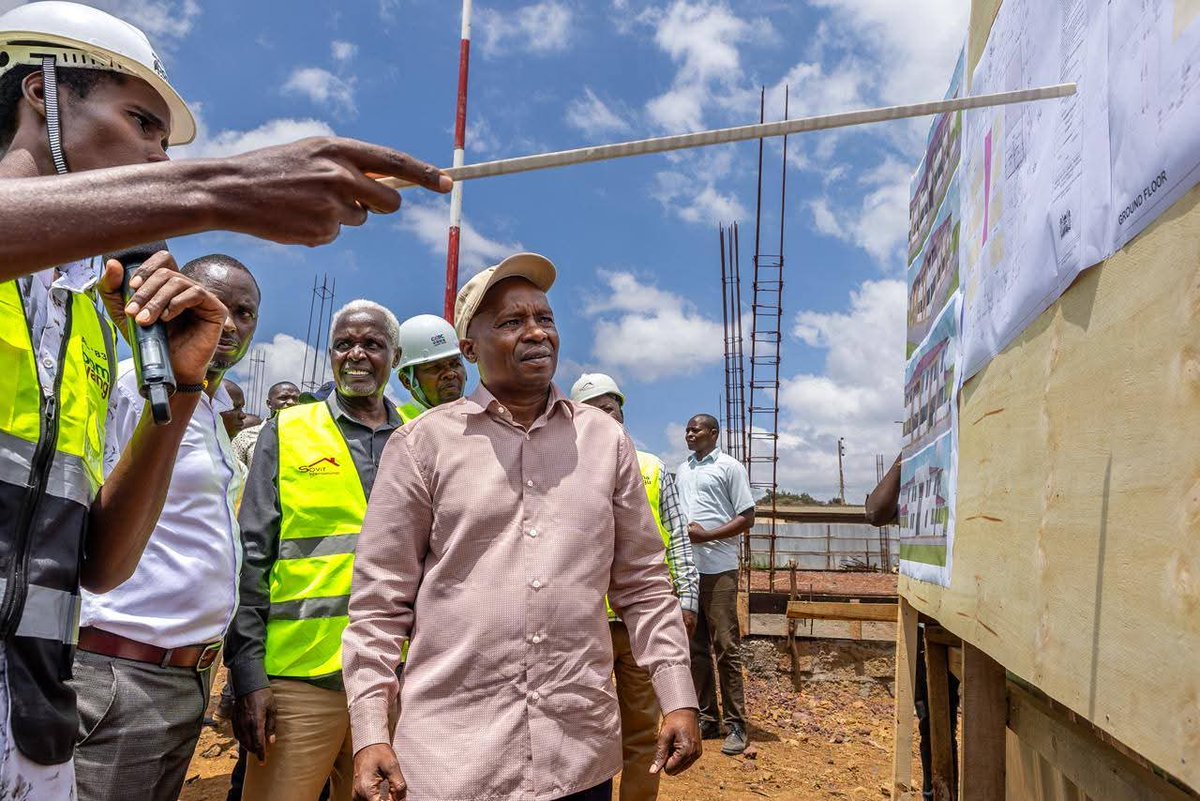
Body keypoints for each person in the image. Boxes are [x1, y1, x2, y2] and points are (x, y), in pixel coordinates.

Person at [345, 254, 702, 801]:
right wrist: (370, 731)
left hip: (575, 753)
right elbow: (379, 602)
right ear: (469, 349)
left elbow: (644, 583)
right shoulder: (422, 446)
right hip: (453, 757)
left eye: (545, 318)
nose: (536, 332)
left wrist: (677, 693)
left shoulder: (605, 442)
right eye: (512, 322)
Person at [70, 254, 260, 801]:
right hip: (120, 674)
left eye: (244, 312)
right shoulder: (134, 386)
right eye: (212, 303)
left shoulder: (209, 411)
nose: (228, 322)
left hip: (182, 679)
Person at [225, 300, 406, 801]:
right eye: (344, 344)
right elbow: (251, 554)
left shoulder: (419, 436)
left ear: (394, 354)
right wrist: (247, 673)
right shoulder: (287, 431)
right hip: (301, 678)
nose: (356, 354)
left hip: (396, 676)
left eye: (371, 344)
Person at [569, 373, 700, 801]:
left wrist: (688, 601)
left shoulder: (651, 468)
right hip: (584, 626)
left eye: (610, 408)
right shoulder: (562, 473)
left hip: (637, 624)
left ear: (622, 412)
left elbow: (678, 539)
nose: (604, 416)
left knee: (643, 729)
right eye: (593, 409)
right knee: (581, 727)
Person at [864, 454, 958, 801]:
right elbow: (875, 511)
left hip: (976, 611)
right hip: (931, 614)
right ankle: (936, 791)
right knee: (934, 718)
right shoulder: (924, 469)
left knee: (986, 719)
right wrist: (905, 460)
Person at [675, 414, 755, 756]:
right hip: (689, 571)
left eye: (696, 429)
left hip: (719, 568)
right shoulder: (682, 470)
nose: (690, 433)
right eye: (688, 428)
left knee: (726, 645)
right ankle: (708, 717)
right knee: (695, 649)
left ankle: (737, 725)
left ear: (714, 433)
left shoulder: (730, 467)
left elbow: (747, 517)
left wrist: (706, 535)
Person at [394, 313, 467, 423]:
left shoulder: (481, 416)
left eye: (455, 364)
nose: (450, 374)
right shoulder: (395, 426)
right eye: (435, 368)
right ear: (406, 381)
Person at [232, 380, 300, 467]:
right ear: (269, 403)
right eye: (284, 397)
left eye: (296, 399)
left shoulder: (308, 435)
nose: (291, 402)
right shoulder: (246, 437)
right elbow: (235, 473)